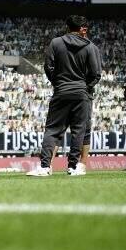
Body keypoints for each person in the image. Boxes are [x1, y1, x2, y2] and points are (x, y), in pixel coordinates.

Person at [27, 15, 101, 177]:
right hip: (81, 93)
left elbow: (48, 66)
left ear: (67, 27)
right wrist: (84, 87)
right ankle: (73, 167)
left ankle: (45, 167)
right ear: (81, 28)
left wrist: (57, 82)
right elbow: (96, 74)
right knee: (78, 130)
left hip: (61, 91)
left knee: (53, 130)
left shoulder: (56, 43)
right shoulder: (89, 47)